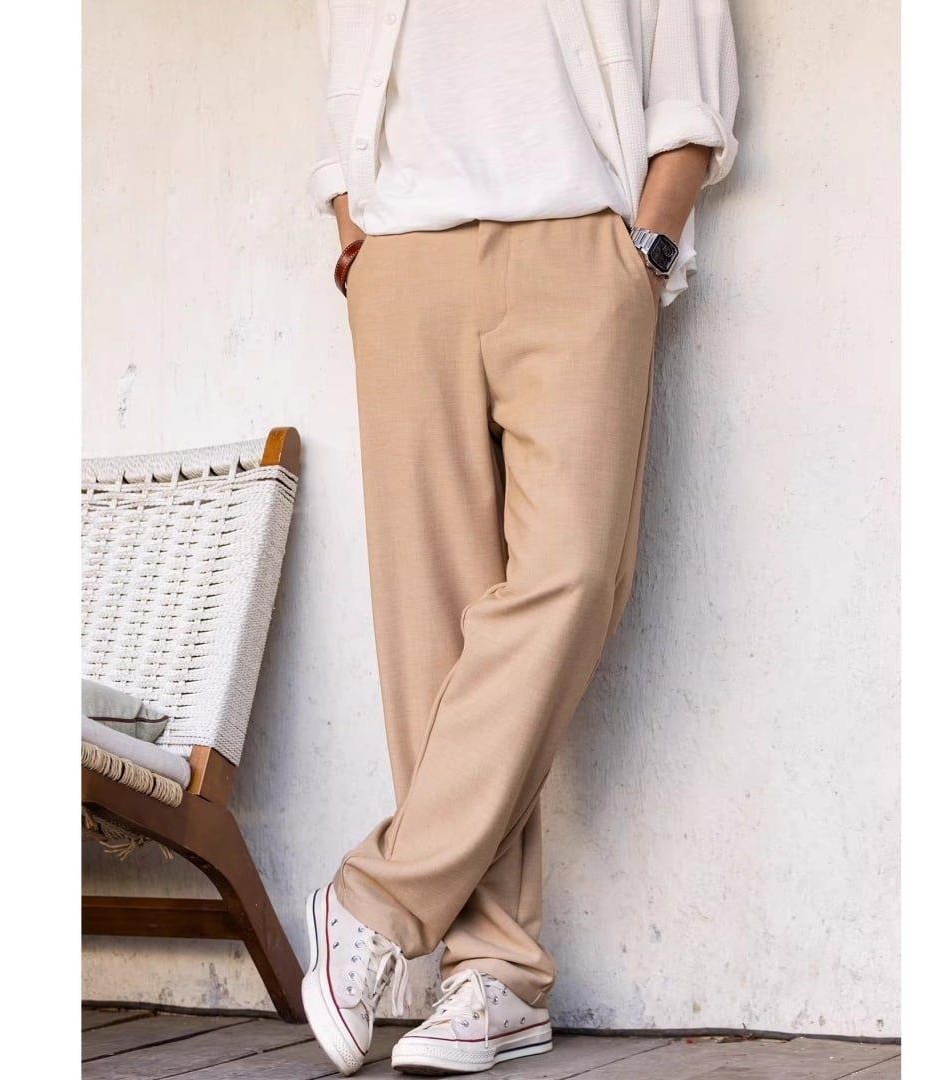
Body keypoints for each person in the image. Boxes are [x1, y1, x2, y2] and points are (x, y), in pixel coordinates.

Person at [303, 2, 739, 1075]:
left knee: (576, 576)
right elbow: (342, 64)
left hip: (582, 250)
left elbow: (691, 77)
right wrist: (353, 225)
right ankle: (494, 972)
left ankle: (376, 899)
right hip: (406, 259)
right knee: (432, 625)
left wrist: (646, 249)